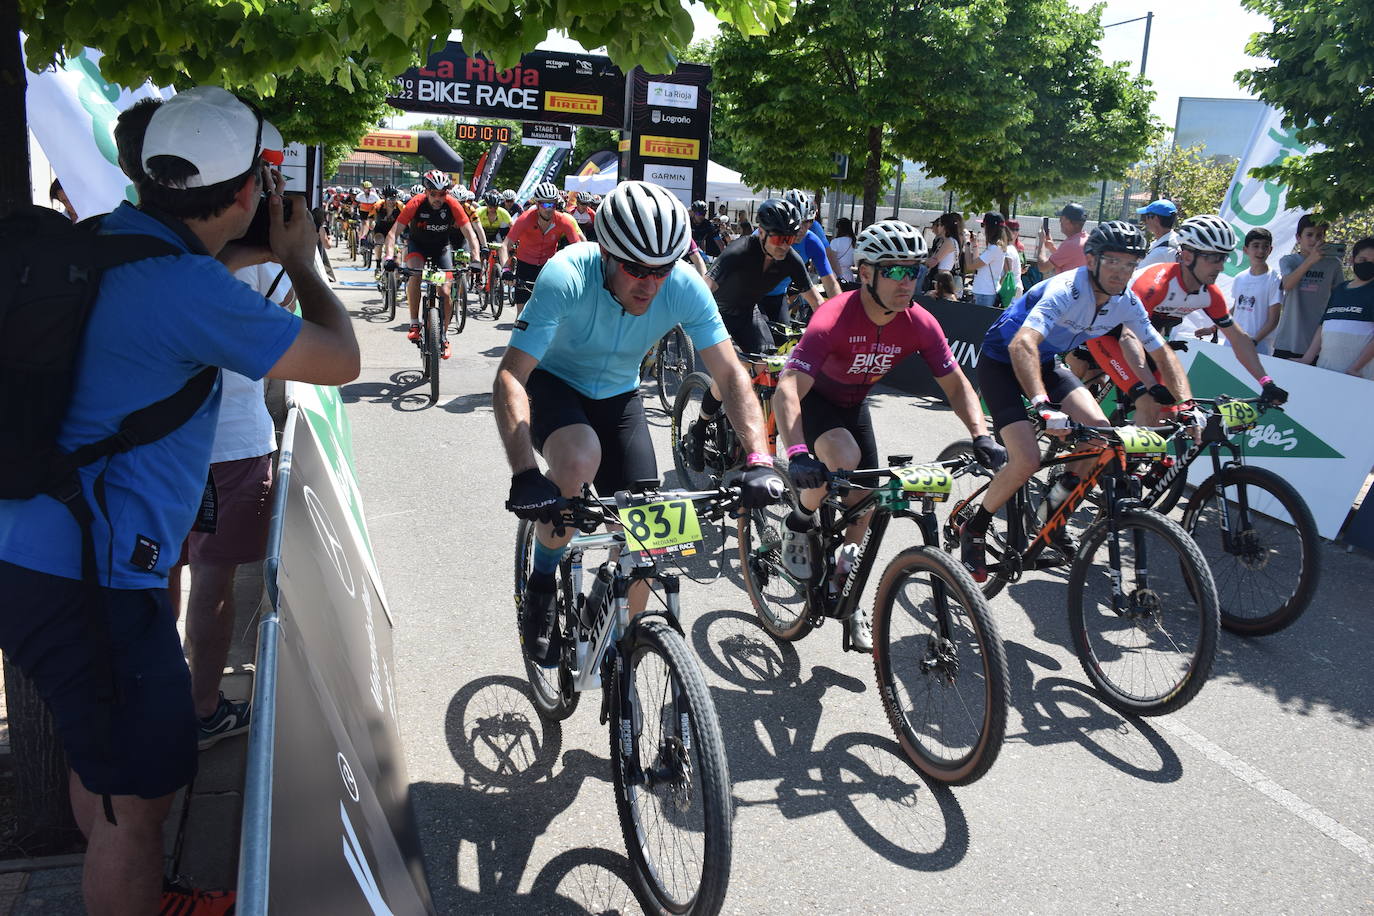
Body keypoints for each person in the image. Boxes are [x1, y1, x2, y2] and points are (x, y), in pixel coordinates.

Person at [0, 85, 359, 916]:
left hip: (35, 547)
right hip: (92, 578)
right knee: (144, 792)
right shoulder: (193, 294)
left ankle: (135, 887)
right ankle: (135, 891)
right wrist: (301, 261)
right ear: (245, 192)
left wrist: (246, 252)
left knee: (108, 763)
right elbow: (339, 358)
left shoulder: (106, 239)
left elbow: (172, 281)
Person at [493, 181, 783, 665]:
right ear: (606, 253)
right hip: (555, 385)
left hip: (619, 395)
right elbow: (510, 376)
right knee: (580, 457)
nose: (650, 284)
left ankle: (615, 652)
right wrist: (524, 472)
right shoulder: (566, 274)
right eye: (635, 269)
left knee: (649, 544)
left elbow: (730, 373)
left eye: (662, 270)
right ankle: (543, 580)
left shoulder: (684, 286)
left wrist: (758, 457)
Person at [772, 221, 1006, 651]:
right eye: (894, 271)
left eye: (914, 270)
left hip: (855, 404)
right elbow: (788, 387)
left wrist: (981, 434)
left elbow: (955, 384)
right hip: (817, 402)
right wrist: (799, 451)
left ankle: (848, 589)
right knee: (842, 456)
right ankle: (798, 521)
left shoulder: (920, 322)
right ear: (866, 273)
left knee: (865, 504)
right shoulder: (834, 316)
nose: (907, 281)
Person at [957, 221, 1194, 582]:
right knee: (1026, 460)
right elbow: (1023, 344)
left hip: (1049, 362)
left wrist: (1187, 405)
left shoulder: (1125, 300)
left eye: (1130, 264)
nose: (1121, 272)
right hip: (1004, 361)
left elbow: (1161, 353)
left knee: (1100, 437)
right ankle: (975, 527)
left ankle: (1052, 515)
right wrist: (1041, 403)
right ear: (1092, 259)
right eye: (1113, 262)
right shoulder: (1066, 289)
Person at [1085, 215, 1288, 425]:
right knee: (1149, 402)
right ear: (1189, 256)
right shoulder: (1155, 285)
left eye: (1223, 258)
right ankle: (1123, 453)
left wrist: (1266, 383)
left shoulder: (1209, 293)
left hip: (1145, 342)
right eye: (1213, 258)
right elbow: (1128, 336)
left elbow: (1238, 338)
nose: (1220, 267)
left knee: (1172, 415)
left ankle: (1140, 456)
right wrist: (1150, 384)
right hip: (1109, 336)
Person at [683, 198, 823, 470]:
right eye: (780, 237)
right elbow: (703, 291)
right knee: (730, 372)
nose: (785, 244)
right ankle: (699, 428)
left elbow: (816, 302)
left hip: (748, 313)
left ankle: (753, 435)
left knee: (769, 364)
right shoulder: (737, 252)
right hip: (718, 316)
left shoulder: (790, 258)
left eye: (791, 238)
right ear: (761, 232)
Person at [381, 169, 481, 359]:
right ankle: (414, 323)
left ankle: (443, 335)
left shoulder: (452, 204)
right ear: (426, 192)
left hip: (441, 248)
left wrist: (475, 258)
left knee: (445, 291)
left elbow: (470, 233)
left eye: (442, 194)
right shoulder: (415, 203)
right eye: (433, 194)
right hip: (417, 245)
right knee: (415, 273)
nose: (438, 198)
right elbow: (393, 233)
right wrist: (389, 257)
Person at [498, 181, 585, 316]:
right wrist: (506, 269)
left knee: (551, 312)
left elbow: (578, 249)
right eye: (545, 204)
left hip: (548, 267)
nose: (549, 208)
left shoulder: (564, 221)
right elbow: (505, 246)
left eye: (553, 204)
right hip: (525, 266)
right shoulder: (525, 219)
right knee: (522, 315)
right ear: (537, 204)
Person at [757, 190, 840, 322]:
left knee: (783, 340)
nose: (802, 228)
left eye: (808, 222)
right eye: (797, 221)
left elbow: (830, 283)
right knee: (762, 340)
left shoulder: (812, 241)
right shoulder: (764, 237)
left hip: (778, 297)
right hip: (752, 298)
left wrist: (841, 317)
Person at [1299, 237, 1374, 378]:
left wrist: (1355, 368)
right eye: (1363, 260)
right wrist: (1307, 359)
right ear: (1352, 260)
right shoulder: (1340, 289)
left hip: (1359, 378)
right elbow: (1323, 326)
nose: (1368, 265)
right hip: (1326, 371)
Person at [1273, 214, 1344, 359]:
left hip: (1318, 342)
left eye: (1319, 235)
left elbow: (1339, 298)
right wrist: (1310, 261)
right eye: (1309, 235)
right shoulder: (1288, 261)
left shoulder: (1334, 264)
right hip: (1288, 339)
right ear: (1298, 238)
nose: (1314, 240)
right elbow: (1287, 285)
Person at [1212, 228, 1282, 355]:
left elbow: (1273, 320)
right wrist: (1214, 327)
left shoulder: (1274, 280)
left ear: (1270, 250)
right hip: (1232, 343)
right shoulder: (1240, 277)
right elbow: (1235, 309)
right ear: (1245, 250)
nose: (1260, 251)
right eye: (1256, 246)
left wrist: (1253, 342)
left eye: (1265, 247)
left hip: (1259, 349)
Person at [966, 212, 1010, 307]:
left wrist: (966, 244)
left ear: (990, 228)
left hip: (985, 294)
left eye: (983, 225)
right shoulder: (995, 247)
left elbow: (970, 266)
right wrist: (974, 244)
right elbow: (977, 263)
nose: (983, 228)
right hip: (984, 292)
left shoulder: (994, 249)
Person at [1037, 202, 1089, 277]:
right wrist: (1052, 248)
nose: (1060, 221)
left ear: (1067, 220)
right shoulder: (1088, 239)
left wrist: (1041, 241)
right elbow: (1068, 257)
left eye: (1061, 218)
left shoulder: (1070, 245)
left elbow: (1043, 267)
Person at [924, 212, 964, 296]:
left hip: (942, 281)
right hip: (942, 279)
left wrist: (920, 261)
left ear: (944, 226)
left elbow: (934, 261)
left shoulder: (949, 241)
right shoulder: (947, 241)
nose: (937, 227)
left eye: (939, 225)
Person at [1136, 199, 1180, 268]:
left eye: (1146, 216)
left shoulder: (1161, 252)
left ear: (1156, 219)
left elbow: (1136, 274)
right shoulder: (1176, 239)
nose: (1145, 221)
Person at [826, 216, 857, 288]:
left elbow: (831, 260)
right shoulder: (854, 242)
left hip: (836, 275)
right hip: (849, 275)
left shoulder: (836, 242)